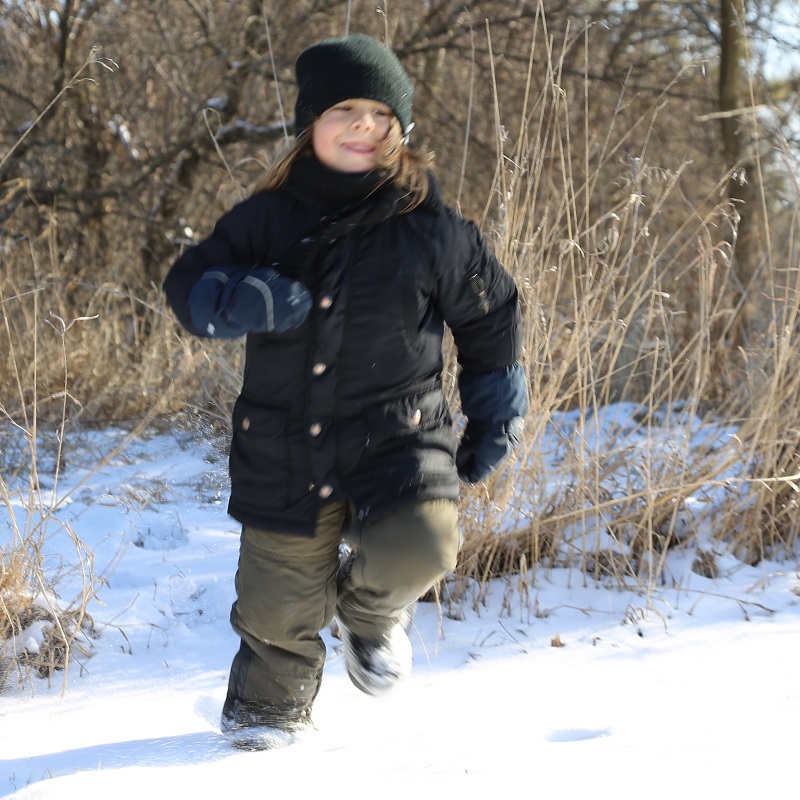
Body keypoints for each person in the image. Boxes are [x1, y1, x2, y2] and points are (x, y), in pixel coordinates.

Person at [163, 33, 528, 747]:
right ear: (310, 125)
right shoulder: (265, 220)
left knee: (423, 542)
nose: (365, 126)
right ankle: (268, 716)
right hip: (284, 446)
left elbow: (492, 320)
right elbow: (189, 288)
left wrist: (494, 418)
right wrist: (242, 299)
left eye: (381, 115)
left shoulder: (434, 231)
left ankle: (370, 619)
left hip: (399, 435)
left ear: (400, 131)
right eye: (346, 110)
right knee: (275, 613)